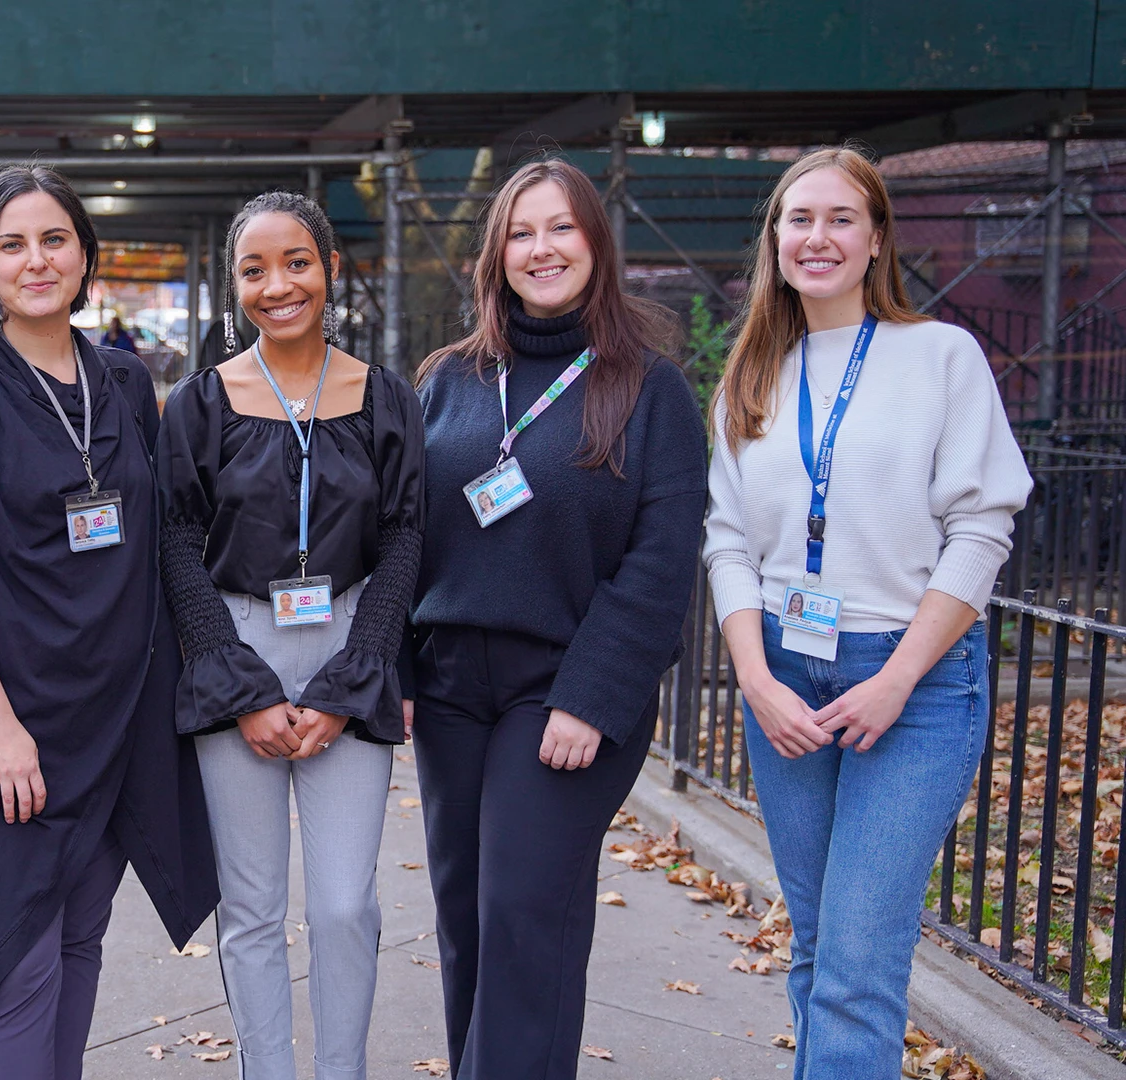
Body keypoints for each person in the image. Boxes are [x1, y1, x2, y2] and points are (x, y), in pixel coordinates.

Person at [703, 147, 1030, 1079]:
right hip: (784, 682)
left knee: (855, 961)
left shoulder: (940, 357)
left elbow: (981, 528)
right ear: (774, 240)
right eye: (798, 219)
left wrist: (896, 678)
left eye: (841, 218)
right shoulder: (750, 378)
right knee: (814, 949)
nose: (818, 237)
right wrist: (755, 680)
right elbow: (727, 543)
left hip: (910, 686)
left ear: (877, 237)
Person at [0, 163, 218, 1080]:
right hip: (13, 724)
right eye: (12, 244)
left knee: (82, 941)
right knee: (17, 960)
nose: (35, 261)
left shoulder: (122, 380)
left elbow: (164, 540)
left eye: (53, 240)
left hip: (116, 720)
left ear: (83, 254)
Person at [406, 159, 706, 1079]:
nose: (542, 249)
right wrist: (399, 671)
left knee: (525, 916)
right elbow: (404, 534)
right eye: (522, 233)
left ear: (595, 245)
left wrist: (593, 695)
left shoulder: (650, 391)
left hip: (563, 691)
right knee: (466, 917)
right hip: (451, 685)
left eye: (561, 229)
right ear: (497, 255)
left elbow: (662, 562)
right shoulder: (450, 381)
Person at [159, 191, 424, 1080]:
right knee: (254, 906)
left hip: (351, 640)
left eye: (297, 262)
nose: (279, 285)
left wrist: (358, 679)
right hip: (239, 643)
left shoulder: (383, 396)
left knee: (346, 904)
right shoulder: (201, 403)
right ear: (236, 286)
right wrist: (240, 688)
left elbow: (405, 536)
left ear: (330, 268)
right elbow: (174, 539)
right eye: (255, 269)